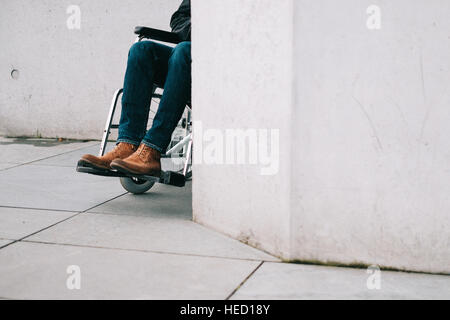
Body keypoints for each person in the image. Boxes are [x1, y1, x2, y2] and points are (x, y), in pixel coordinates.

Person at [78, 0, 191, 178]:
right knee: (141, 49)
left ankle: (152, 150)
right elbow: (178, 19)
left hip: (218, 64)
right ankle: (128, 145)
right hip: (188, 60)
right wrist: (196, 28)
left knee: (184, 50)